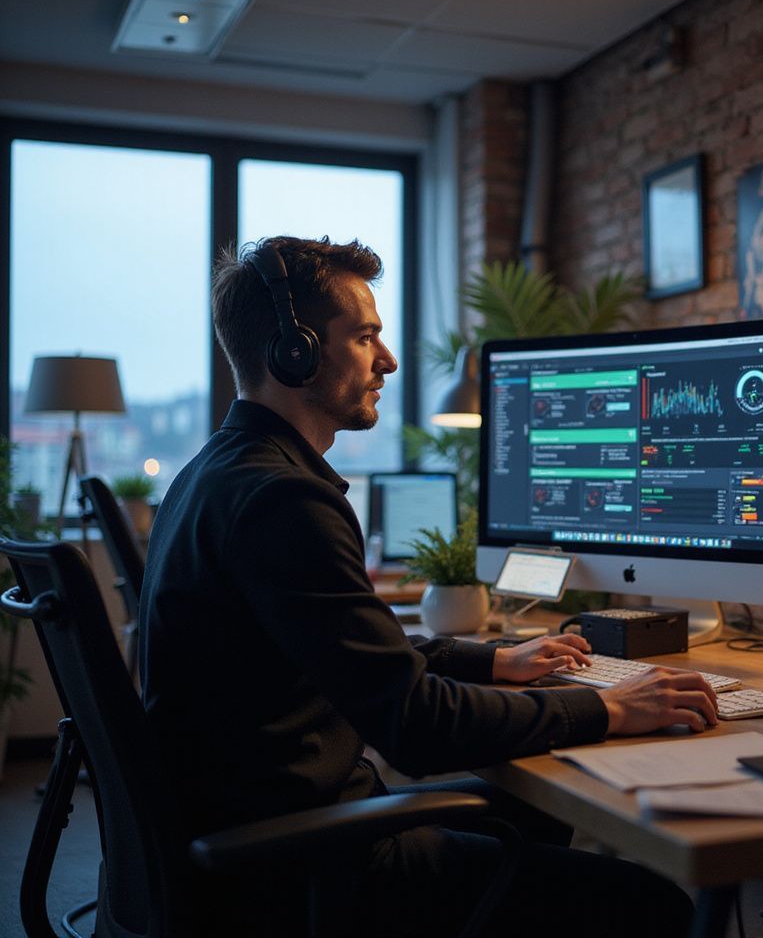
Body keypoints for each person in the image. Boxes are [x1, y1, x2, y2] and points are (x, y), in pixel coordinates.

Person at [140, 235, 718, 936]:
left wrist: (495, 659)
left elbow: (349, 649)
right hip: (307, 866)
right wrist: (611, 711)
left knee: (536, 811)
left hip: (262, 831)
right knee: (653, 903)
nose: (386, 360)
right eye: (365, 336)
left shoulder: (216, 475)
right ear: (296, 351)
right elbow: (415, 725)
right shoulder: (282, 502)